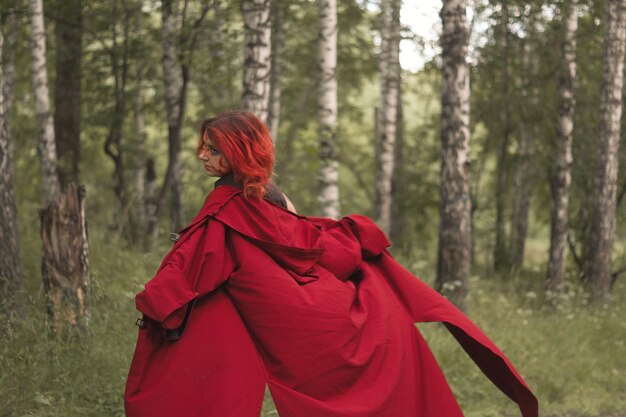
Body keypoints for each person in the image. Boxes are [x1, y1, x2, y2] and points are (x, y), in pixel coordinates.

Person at [125, 110, 538, 417]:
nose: (202, 155)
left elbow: (195, 269)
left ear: (235, 155)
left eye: (212, 149)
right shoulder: (273, 196)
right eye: (205, 147)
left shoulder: (223, 209)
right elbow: (308, 249)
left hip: (301, 323)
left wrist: (155, 302)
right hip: (323, 309)